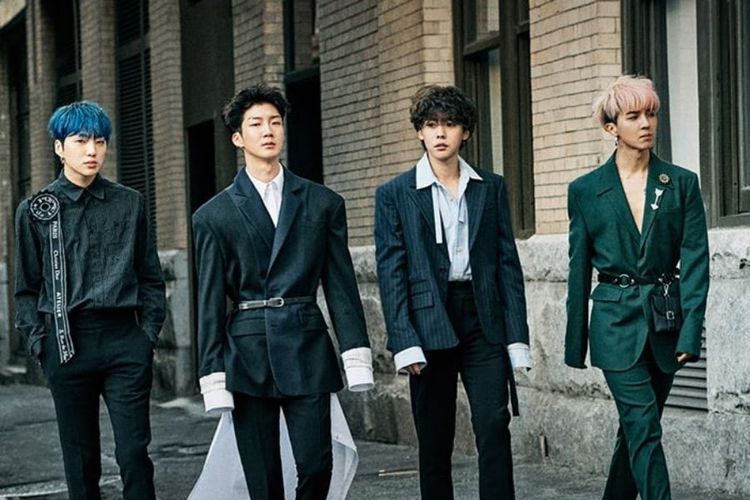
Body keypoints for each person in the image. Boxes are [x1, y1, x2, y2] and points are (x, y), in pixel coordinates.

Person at [191, 83, 373, 500]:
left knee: (316, 465)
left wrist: (355, 352)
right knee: (263, 478)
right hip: (247, 353)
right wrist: (212, 372)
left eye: (275, 122)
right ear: (238, 138)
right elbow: (209, 302)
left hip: (306, 344)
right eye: (256, 124)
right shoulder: (214, 216)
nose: (268, 130)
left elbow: (341, 285)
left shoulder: (322, 203)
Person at [374, 85, 531, 500]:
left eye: (450, 124)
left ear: (466, 132)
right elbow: (391, 272)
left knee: (494, 424)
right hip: (429, 319)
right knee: (434, 435)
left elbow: (507, 265)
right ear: (420, 132)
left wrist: (517, 336)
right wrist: (404, 340)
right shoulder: (395, 194)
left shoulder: (490, 187)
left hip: (482, 318)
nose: (440, 133)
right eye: (431, 125)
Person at [565, 75, 709, 500]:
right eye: (633, 116)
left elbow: (696, 262)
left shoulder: (681, 183)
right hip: (613, 323)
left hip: (665, 321)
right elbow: (578, 268)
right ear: (611, 127)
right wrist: (576, 342)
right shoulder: (585, 191)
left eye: (651, 114)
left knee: (635, 429)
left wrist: (690, 332)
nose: (646, 123)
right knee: (644, 426)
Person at [14, 101, 166, 500]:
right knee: (81, 461)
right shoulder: (35, 210)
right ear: (59, 148)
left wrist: (147, 336)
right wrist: (40, 344)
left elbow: (151, 277)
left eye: (100, 141)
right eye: (81, 141)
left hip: (124, 340)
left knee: (134, 452)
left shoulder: (130, 203)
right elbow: (26, 288)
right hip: (66, 343)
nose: (92, 150)